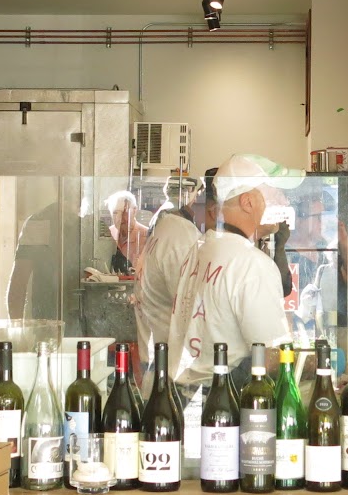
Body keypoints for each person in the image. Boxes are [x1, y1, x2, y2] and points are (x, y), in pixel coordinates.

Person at [169, 154, 300, 386]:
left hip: (184, 397)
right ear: (248, 202)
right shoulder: (252, 263)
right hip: (224, 404)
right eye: (276, 192)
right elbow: (272, 358)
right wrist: (319, 360)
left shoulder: (199, 249)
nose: (284, 200)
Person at [133, 181, 205, 370]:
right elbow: (191, 309)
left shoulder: (168, 226)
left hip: (157, 359)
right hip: (169, 366)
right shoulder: (182, 238)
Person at [104, 190, 149, 278]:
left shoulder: (147, 237)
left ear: (135, 211)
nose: (121, 218)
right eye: (115, 213)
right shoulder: (107, 235)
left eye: (125, 212)